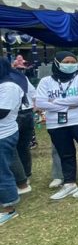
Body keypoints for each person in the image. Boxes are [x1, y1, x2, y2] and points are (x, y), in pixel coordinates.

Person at [36, 52, 78, 200]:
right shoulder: (46, 81)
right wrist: (67, 104)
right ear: (57, 63)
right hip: (56, 124)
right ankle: (69, 183)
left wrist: (54, 102)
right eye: (66, 62)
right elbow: (40, 103)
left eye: (73, 62)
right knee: (65, 154)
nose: (70, 64)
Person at [0, 57, 24, 225]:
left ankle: (9, 208)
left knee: (2, 171)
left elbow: (2, 112)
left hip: (3, 135)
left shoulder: (9, 87)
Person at [7, 64, 35, 195]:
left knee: (11, 150)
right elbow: (33, 93)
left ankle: (19, 180)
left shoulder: (4, 80)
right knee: (23, 147)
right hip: (27, 112)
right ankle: (26, 175)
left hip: (12, 115)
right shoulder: (21, 76)